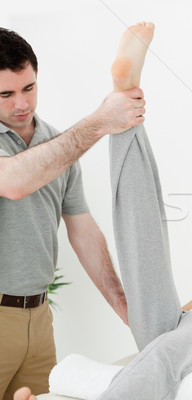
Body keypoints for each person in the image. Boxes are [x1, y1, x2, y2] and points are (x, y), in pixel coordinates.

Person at [14, 21, 192, 400]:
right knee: (143, 234)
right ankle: (125, 96)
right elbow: (179, 316)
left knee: (166, 350)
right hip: (182, 321)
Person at [0, 24, 147, 400]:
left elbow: (82, 230)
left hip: (39, 317)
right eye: (6, 94)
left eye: (29, 88)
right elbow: (14, 182)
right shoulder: (61, 147)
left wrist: (123, 304)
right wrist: (101, 121)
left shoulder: (54, 141)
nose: (21, 104)